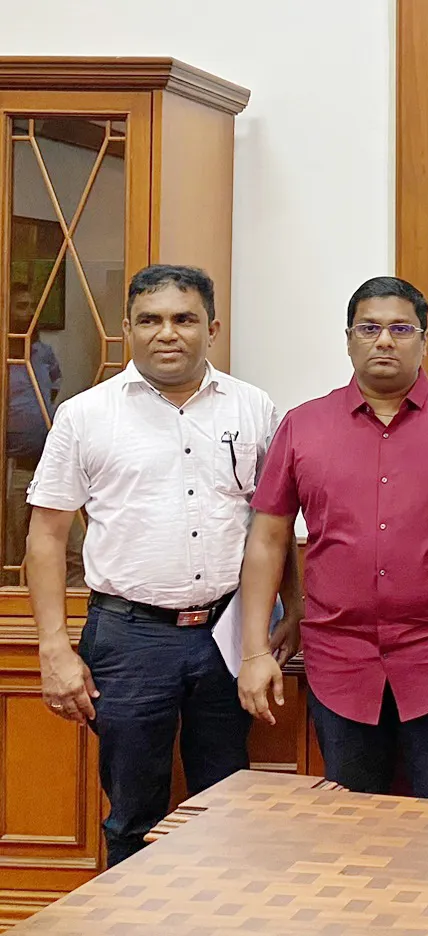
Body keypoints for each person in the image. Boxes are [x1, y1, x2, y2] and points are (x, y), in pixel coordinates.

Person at [28, 264, 301, 865]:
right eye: (150, 320)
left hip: (229, 631)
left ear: (212, 328)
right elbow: (45, 538)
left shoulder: (253, 408)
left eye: (184, 319)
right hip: (129, 636)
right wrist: (53, 649)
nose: (167, 333)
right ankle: (130, 912)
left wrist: (294, 610)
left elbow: (275, 525)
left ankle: (220, 910)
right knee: (132, 811)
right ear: (127, 329)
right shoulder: (85, 415)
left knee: (228, 802)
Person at [236, 276, 428, 799]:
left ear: (425, 340)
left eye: (401, 329)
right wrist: (255, 650)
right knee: (347, 823)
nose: (384, 340)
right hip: (339, 661)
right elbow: (268, 540)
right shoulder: (304, 425)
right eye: (369, 328)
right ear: (348, 339)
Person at [6, 281, 63, 573]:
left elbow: (53, 385)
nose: (29, 313)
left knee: (53, 532)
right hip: (12, 463)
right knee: (14, 537)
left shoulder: (43, 352)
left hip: (47, 458)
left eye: (32, 306)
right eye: (21, 306)